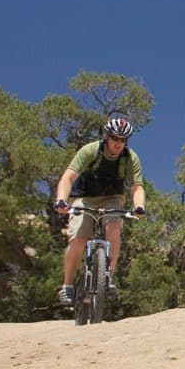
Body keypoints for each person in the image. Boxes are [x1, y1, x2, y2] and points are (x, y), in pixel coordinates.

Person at [53, 117, 146, 305]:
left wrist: (139, 206)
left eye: (123, 140)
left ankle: (107, 277)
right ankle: (67, 286)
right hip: (83, 197)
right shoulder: (90, 150)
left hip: (112, 198)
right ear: (106, 137)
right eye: (115, 139)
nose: (119, 143)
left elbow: (137, 186)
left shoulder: (130, 157)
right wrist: (61, 201)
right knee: (79, 239)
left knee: (113, 228)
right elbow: (68, 178)